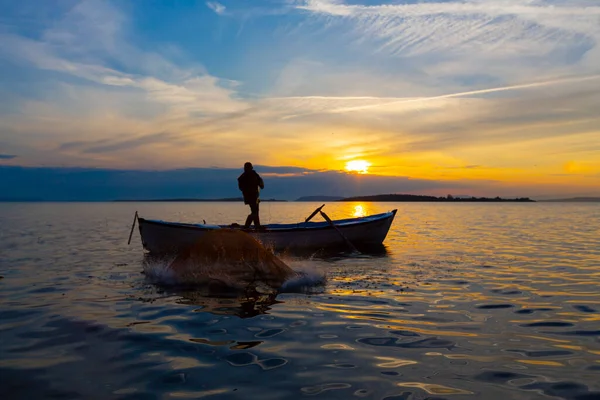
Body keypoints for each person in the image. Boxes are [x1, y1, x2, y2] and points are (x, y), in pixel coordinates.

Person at [237, 162, 265, 229]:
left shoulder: (247, 175)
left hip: (253, 196)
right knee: (254, 212)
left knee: (255, 211)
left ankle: (257, 226)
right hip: (252, 196)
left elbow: (240, 186)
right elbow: (261, 184)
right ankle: (247, 226)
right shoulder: (250, 175)